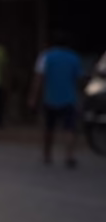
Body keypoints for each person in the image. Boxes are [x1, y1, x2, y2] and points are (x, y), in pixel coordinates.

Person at [30, 32, 83, 168]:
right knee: (69, 128)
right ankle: (69, 155)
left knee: (49, 128)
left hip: (50, 97)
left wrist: (33, 97)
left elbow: (39, 78)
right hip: (69, 98)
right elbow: (79, 79)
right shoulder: (74, 58)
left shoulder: (46, 56)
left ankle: (47, 155)